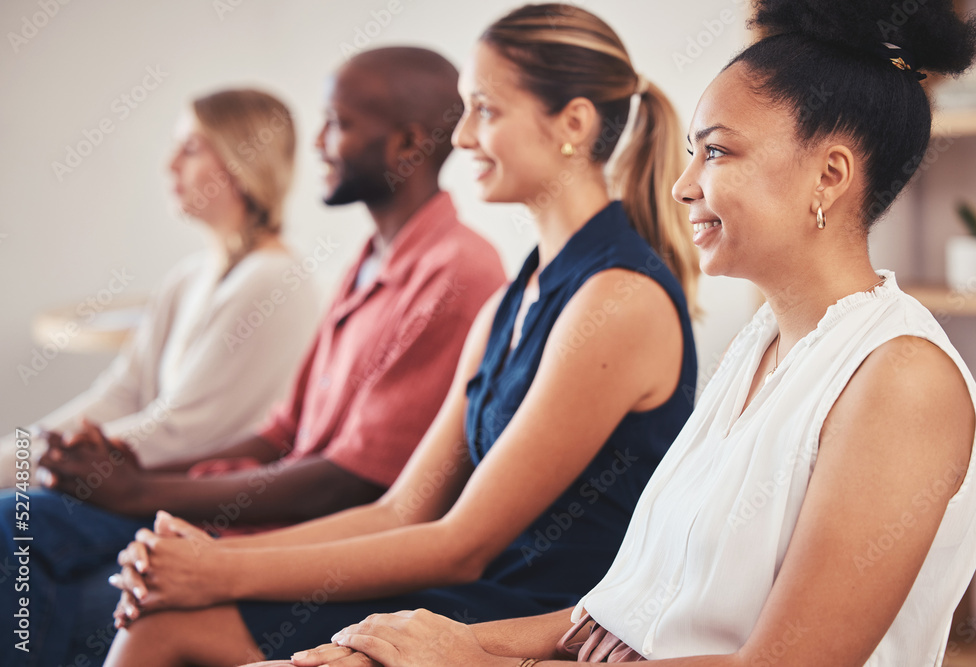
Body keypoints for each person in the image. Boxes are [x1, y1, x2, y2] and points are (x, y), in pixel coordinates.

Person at [277, 1, 976, 666]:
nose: (683, 185)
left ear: (829, 175)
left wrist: (468, 660)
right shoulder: (761, 353)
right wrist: (418, 641)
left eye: (716, 152)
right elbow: (606, 620)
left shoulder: (901, 379)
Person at [103, 5, 701, 666]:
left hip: (528, 618)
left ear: (574, 124)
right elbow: (400, 510)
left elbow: (462, 541)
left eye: (486, 110)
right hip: (458, 589)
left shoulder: (618, 299)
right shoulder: (512, 299)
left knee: (179, 617)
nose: (464, 136)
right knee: (159, 622)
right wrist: (201, 559)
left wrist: (219, 571)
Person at [0, 50, 506, 667]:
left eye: (337, 124)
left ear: (406, 143)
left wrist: (137, 493)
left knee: (30, 562)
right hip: (251, 529)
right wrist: (132, 474)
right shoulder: (367, 260)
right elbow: (283, 433)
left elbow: (347, 482)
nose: (316, 143)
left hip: (313, 553)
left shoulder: (457, 273)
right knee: (15, 525)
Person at [0, 88, 320, 488]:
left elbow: (176, 436)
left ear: (243, 161)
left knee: (11, 517)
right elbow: (120, 396)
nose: (170, 166)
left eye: (190, 149)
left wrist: (32, 467)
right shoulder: (188, 277)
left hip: (193, 501)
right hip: (148, 484)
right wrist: (14, 455)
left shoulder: (273, 282)